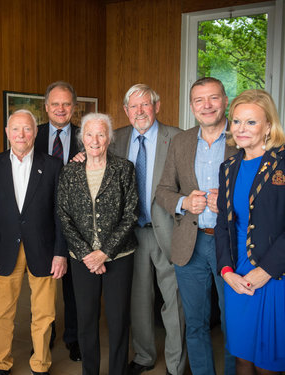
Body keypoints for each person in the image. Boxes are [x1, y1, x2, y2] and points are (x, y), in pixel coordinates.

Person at [0, 110, 68, 375]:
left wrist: (60, 253)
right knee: (2, 312)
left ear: (35, 133)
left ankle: (40, 364)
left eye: (27, 129)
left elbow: (60, 214)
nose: (21, 135)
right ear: (7, 132)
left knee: (44, 313)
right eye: (16, 129)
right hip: (3, 250)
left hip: (44, 250)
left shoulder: (52, 166)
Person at [155, 77, 236, 375]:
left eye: (213, 98)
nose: (207, 106)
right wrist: (184, 203)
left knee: (233, 324)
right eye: (200, 101)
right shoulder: (182, 141)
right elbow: (163, 190)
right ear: (191, 107)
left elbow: (261, 196)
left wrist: (228, 203)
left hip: (232, 245)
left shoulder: (241, 137)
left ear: (225, 100)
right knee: (196, 323)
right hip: (191, 243)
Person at [108, 84, 186, 375]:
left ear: (157, 106)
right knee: (139, 299)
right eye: (133, 106)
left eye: (145, 105)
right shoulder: (116, 139)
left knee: (173, 300)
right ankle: (143, 356)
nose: (140, 111)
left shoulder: (176, 137)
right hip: (131, 233)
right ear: (126, 111)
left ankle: (176, 365)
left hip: (168, 230)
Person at [57, 112, 138, 375]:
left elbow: (130, 215)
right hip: (82, 259)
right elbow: (64, 215)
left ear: (109, 138)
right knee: (86, 320)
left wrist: (104, 252)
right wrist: (87, 254)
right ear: (82, 139)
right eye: (89, 134)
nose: (95, 140)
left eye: (101, 134)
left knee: (118, 320)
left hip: (119, 256)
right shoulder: (69, 172)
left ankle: (118, 370)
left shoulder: (124, 168)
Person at [215, 89, 285, 374]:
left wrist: (267, 269)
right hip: (238, 276)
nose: (241, 129)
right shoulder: (229, 167)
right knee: (242, 357)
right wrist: (226, 270)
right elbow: (224, 224)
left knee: (267, 363)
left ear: (269, 125)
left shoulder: (282, 162)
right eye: (236, 121)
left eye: (251, 122)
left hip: (275, 273)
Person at [35, 81, 81, 361]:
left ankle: (74, 339)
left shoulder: (86, 136)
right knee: (43, 284)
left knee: (75, 288)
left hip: (77, 223)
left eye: (66, 104)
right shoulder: (33, 135)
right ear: (46, 107)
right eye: (55, 104)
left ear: (73, 107)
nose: (61, 109)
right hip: (41, 222)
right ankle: (44, 336)